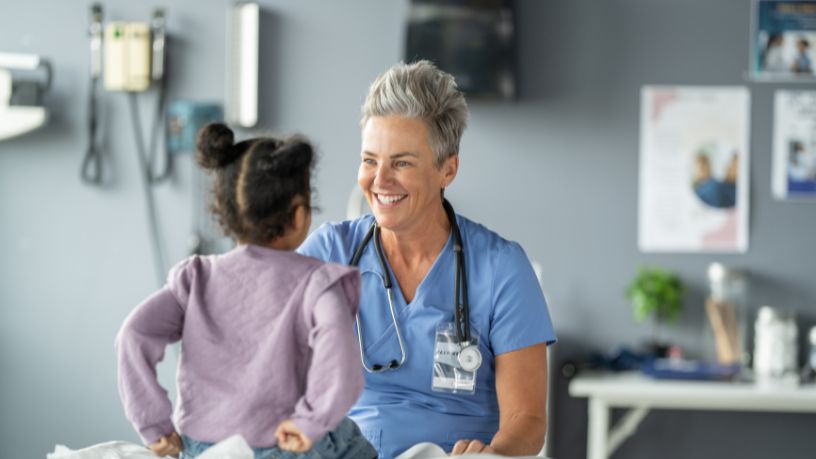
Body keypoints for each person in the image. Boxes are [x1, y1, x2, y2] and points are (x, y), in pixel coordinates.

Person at [298, 61, 557, 458]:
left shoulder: (502, 269)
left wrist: (489, 454)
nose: (379, 180)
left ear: (447, 169)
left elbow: (528, 422)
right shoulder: (330, 253)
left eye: (401, 162)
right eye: (370, 160)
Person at [115, 124, 376, 459]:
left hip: (203, 447)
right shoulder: (316, 283)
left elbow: (132, 336)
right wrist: (310, 421)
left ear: (227, 213)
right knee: (353, 443)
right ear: (298, 215)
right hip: (284, 445)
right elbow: (341, 367)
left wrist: (154, 425)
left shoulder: (195, 278)